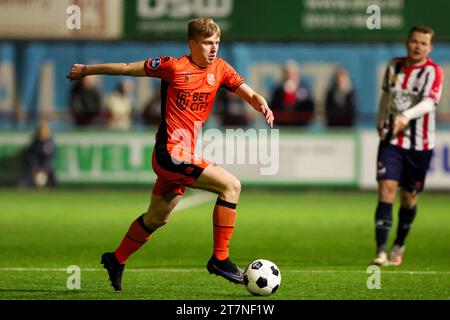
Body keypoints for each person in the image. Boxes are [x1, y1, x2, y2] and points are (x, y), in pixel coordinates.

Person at [66, 17, 274, 291]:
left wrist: (259, 101)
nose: (214, 49)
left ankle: (116, 259)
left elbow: (244, 90)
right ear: (192, 43)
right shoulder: (173, 67)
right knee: (231, 185)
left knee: (156, 218)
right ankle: (220, 259)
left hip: (183, 154)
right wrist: (87, 70)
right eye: (208, 43)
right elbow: (128, 68)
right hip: (170, 153)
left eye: (217, 43)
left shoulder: (220, 68)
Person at [371, 24, 443, 266]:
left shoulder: (433, 72)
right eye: (414, 41)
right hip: (391, 140)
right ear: (407, 42)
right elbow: (385, 96)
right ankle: (381, 251)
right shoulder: (394, 66)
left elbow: (429, 103)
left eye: (423, 43)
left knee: (409, 197)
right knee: (386, 189)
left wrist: (405, 116)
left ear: (430, 48)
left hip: (420, 144)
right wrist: (380, 120)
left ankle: (399, 243)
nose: (417, 46)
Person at [270, 60, 314, 126]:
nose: (289, 76)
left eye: (291, 73)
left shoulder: (304, 88)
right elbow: (273, 107)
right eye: (286, 73)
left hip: (300, 126)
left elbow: (310, 107)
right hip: (282, 125)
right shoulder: (278, 90)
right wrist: (283, 94)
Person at [19, 120, 57, 188]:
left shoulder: (49, 143)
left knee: (51, 172)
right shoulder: (35, 143)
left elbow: (50, 158)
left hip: (45, 167)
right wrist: (36, 167)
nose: (43, 133)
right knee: (30, 170)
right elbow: (31, 156)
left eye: (44, 131)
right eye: (41, 131)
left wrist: (44, 168)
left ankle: (53, 185)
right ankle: (26, 184)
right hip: (35, 166)